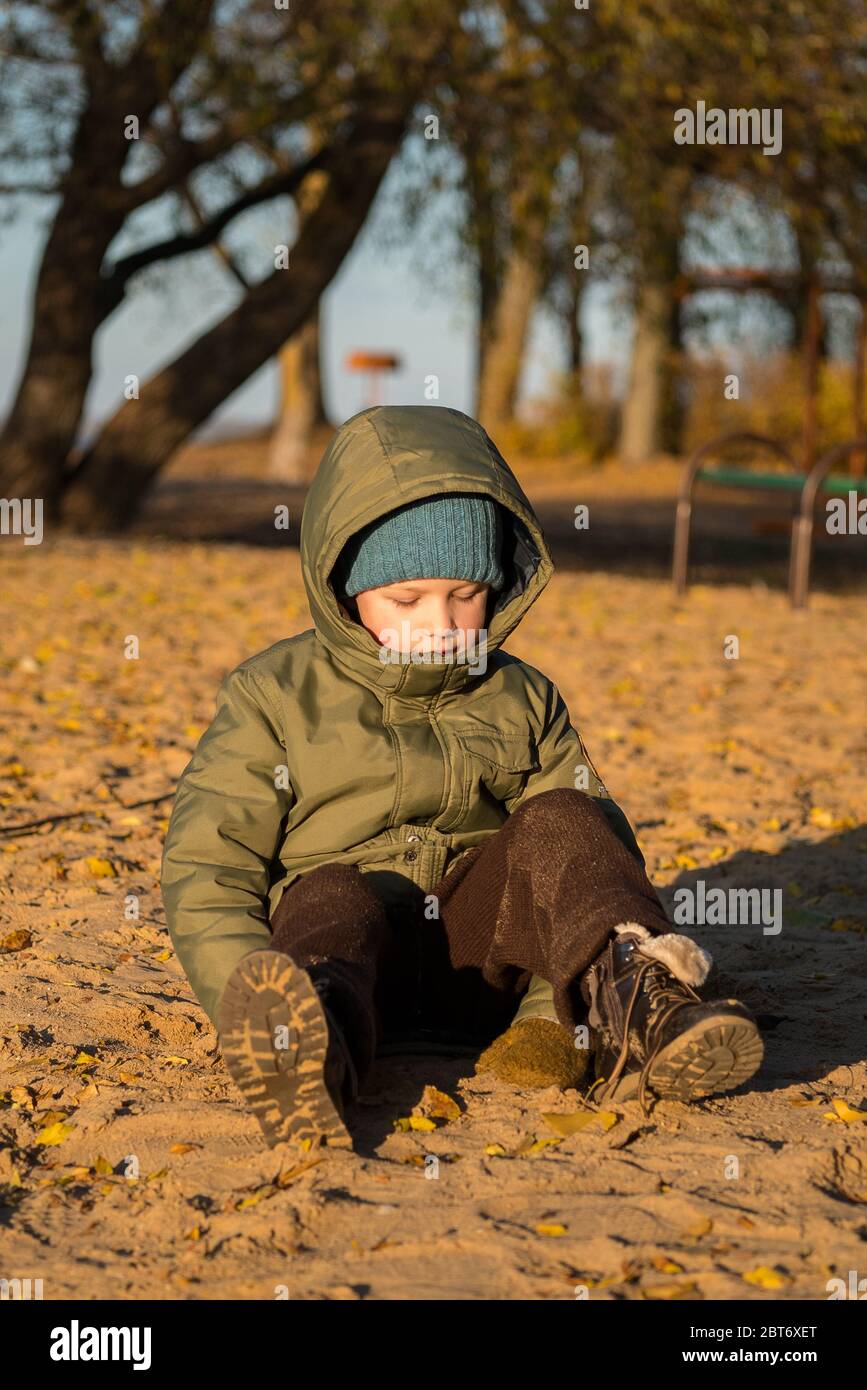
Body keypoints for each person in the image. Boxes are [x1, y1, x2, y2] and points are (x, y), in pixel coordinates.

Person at [161, 404, 763, 1151]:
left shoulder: (522, 694)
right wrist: (235, 994)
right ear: (344, 590)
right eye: (405, 600)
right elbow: (208, 868)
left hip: (483, 963)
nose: (438, 623)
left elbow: (584, 866)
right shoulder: (274, 694)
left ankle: (637, 1004)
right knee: (326, 894)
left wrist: (546, 1012)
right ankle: (304, 1042)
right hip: (354, 958)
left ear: (499, 586)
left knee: (571, 815)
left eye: (465, 595)